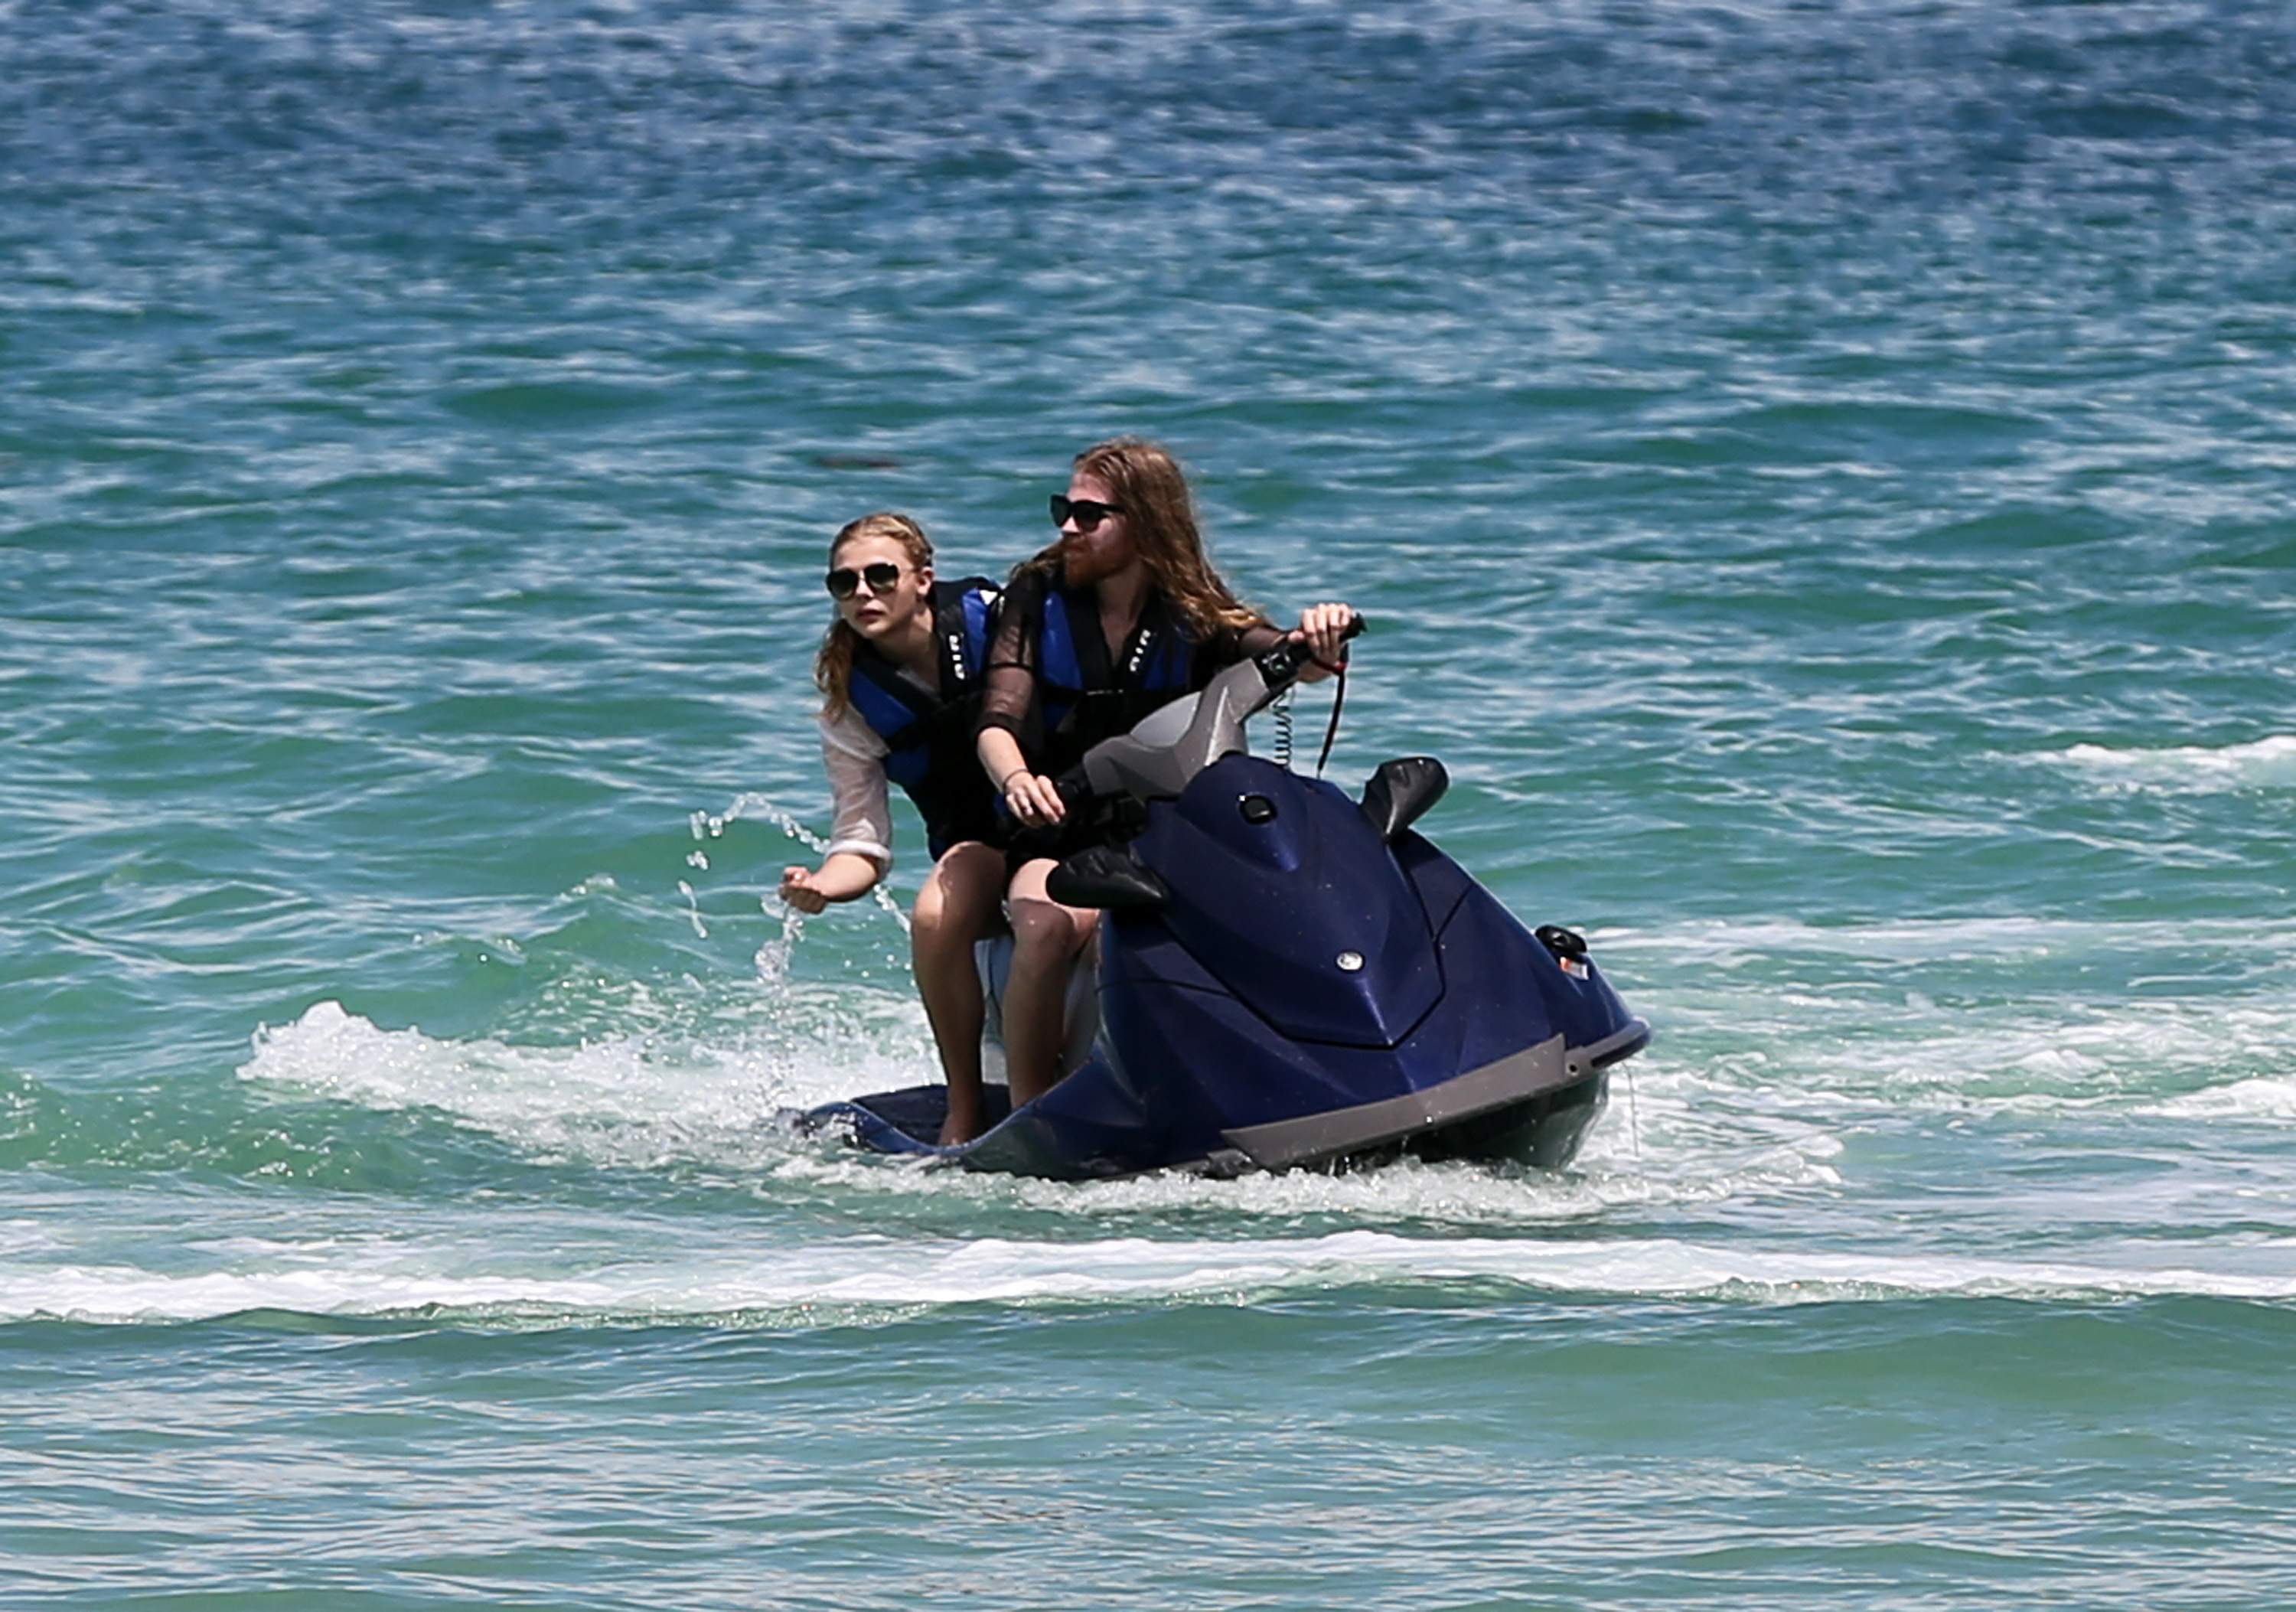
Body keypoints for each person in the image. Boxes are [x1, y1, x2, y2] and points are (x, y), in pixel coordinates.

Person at [974, 438, 1355, 1109]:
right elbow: (998, 717)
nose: (1068, 526)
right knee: (1046, 925)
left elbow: (1284, 654)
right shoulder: (1036, 593)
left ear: (1146, 523)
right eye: (1066, 509)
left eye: (1090, 515)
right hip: (1060, 827)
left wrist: (1318, 639)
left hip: (1166, 838)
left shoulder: (1193, 608)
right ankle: (1031, 1111)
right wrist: (1016, 781)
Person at [779, 512, 1009, 1146]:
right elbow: (862, 841)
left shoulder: (1000, 620)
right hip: (981, 851)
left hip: (1065, 817)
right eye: (843, 583)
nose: (862, 593)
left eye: (881, 575)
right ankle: (965, 1103)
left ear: (924, 580)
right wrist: (823, 887)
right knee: (933, 917)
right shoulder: (850, 702)